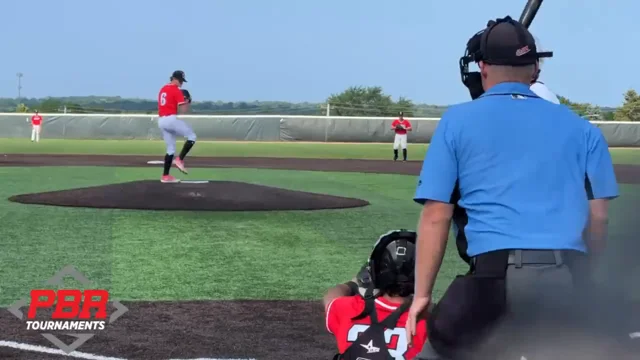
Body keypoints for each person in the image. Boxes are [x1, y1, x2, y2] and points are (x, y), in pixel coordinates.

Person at [405, 16, 619, 359]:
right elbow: (599, 218)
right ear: (534, 69)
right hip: (565, 281)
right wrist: (584, 283)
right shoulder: (584, 130)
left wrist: (422, 297)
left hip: (492, 280)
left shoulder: (456, 121)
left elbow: (435, 215)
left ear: (482, 67)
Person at [324, 230, 428, 360]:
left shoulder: (348, 308)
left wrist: (353, 283)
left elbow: (331, 297)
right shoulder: (428, 322)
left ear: (375, 271)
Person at [157, 70, 196, 183]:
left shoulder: (163, 89)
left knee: (170, 149)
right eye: (180, 80)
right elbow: (183, 110)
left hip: (161, 121)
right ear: (174, 78)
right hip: (170, 119)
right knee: (192, 136)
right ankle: (180, 159)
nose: (181, 83)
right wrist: (187, 101)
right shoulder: (176, 90)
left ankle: (165, 176)